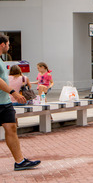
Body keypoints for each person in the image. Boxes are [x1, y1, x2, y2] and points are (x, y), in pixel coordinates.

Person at [0, 34, 41, 171]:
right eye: (8, 44)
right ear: (2, 45)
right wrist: (14, 93)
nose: (9, 47)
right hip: (4, 100)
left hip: (5, 103)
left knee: (11, 128)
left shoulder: (1, 59)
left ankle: (20, 161)